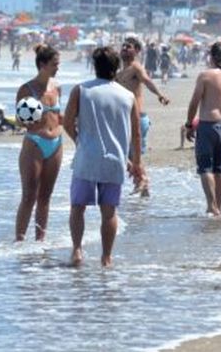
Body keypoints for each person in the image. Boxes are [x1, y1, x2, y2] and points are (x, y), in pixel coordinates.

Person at [64, 46, 142, 267]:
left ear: (94, 66)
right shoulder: (128, 96)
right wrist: (136, 163)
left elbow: (67, 123)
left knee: (78, 207)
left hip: (87, 159)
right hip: (115, 161)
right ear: (116, 68)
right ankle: (106, 257)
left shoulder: (81, 90)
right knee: (109, 213)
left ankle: (77, 250)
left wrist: (80, 141)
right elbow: (136, 133)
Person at [184, 41, 221, 217]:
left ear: (211, 56)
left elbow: (194, 102)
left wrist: (189, 125)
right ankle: (220, 207)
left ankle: (211, 206)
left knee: (205, 167)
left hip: (208, 125)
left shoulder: (205, 76)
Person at [14, 44, 63, 241]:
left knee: (45, 197)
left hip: (56, 143)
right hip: (35, 142)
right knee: (29, 197)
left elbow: (59, 116)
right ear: (42, 65)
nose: (57, 68)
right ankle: (19, 241)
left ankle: (40, 241)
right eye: (54, 64)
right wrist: (30, 118)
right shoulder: (27, 89)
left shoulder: (57, 88)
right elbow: (18, 121)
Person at [116, 38, 170, 194]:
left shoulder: (136, 68)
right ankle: (142, 186)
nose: (125, 48)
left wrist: (160, 94)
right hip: (124, 119)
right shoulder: (119, 72)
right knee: (129, 155)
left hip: (137, 118)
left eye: (129, 47)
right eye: (123, 46)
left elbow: (147, 81)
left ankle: (143, 180)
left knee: (132, 156)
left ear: (137, 51)